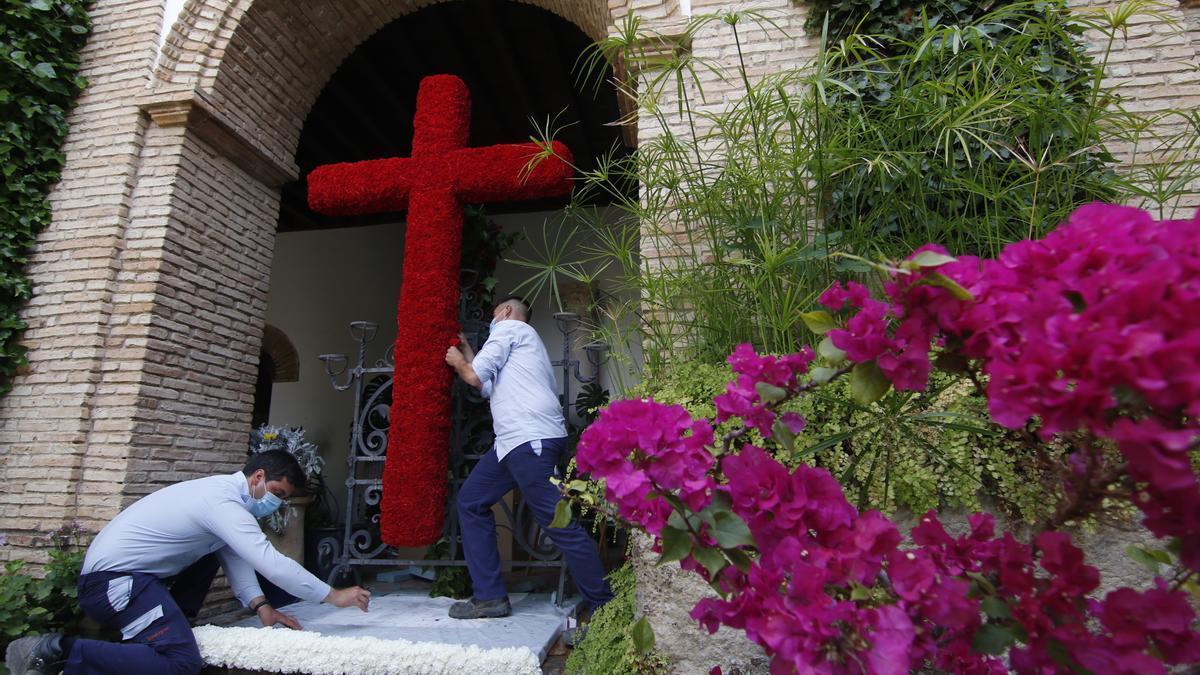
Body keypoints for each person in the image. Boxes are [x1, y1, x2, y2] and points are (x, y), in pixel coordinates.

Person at [4, 449, 371, 675]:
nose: (275, 503)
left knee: (215, 550)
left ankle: (172, 627)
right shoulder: (221, 501)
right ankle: (55, 651)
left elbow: (236, 557)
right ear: (258, 477)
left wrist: (261, 607)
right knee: (182, 663)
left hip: (130, 582)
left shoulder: (225, 500)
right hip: (114, 585)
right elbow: (269, 563)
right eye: (276, 493)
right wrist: (332, 595)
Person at [443, 295, 613, 620]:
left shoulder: (509, 329)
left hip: (529, 439)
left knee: (559, 523)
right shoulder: (522, 346)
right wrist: (468, 353)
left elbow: (475, 377)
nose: (493, 321)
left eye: (495, 315)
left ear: (506, 312)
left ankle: (604, 606)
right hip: (512, 442)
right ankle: (490, 597)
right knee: (471, 501)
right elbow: (488, 386)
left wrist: (458, 362)